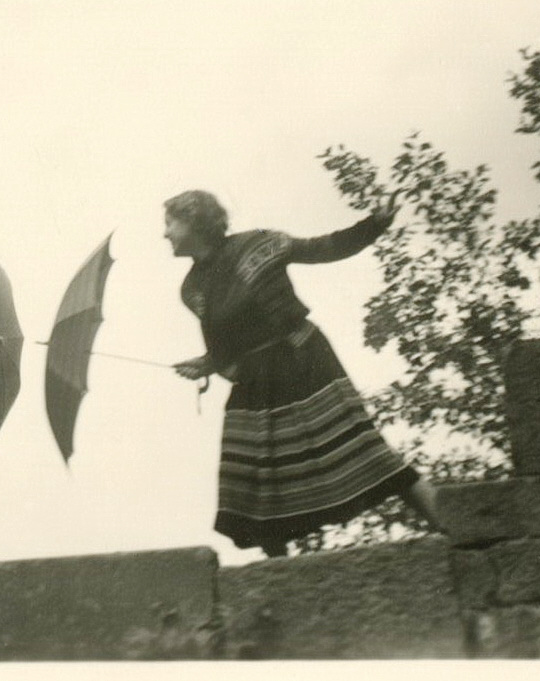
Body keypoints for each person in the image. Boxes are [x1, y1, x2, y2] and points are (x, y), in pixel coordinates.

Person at [164, 189, 445, 557]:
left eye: (170, 223)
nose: (165, 233)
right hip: (256, 377)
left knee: (362, 450)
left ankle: (454, 526)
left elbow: (324, 248)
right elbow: (225, 349)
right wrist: (205, 363)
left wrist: (373, 225)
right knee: (249, 481)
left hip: (301, 357)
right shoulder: (192, 290)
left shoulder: (260, 244)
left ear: (194, 221)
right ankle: (279, 571)